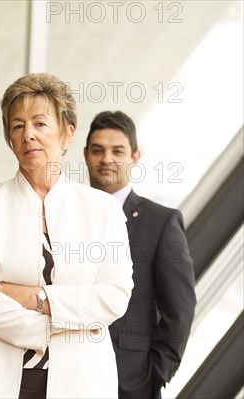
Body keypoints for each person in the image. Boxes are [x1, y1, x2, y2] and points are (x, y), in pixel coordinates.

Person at [0, 73, 134, 399]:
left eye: (40, 123)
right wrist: (71, 325)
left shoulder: (103, 209)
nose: (28, 136)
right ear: (9, 138)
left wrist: (36, 298)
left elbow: (114, 297)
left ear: (67, 134)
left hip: (82, 381)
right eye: (17, 126)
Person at [84, 110, 196, 399]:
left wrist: (154, 374)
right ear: (85, 155)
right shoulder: (62, 214)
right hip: (63, 378)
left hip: (130, 383)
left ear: (135, 157)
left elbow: (179, 311)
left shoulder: (162, 222)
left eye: (117, 151)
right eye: (98, 150)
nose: (107, 158)